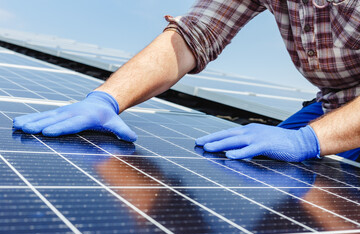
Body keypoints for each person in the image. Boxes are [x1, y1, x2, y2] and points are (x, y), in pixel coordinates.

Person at [13, 0, 360, 162]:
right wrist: (106, 99)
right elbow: (195, 34)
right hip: (331, 99)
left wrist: (306, 140)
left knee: (333, 207)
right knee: (256, 167)